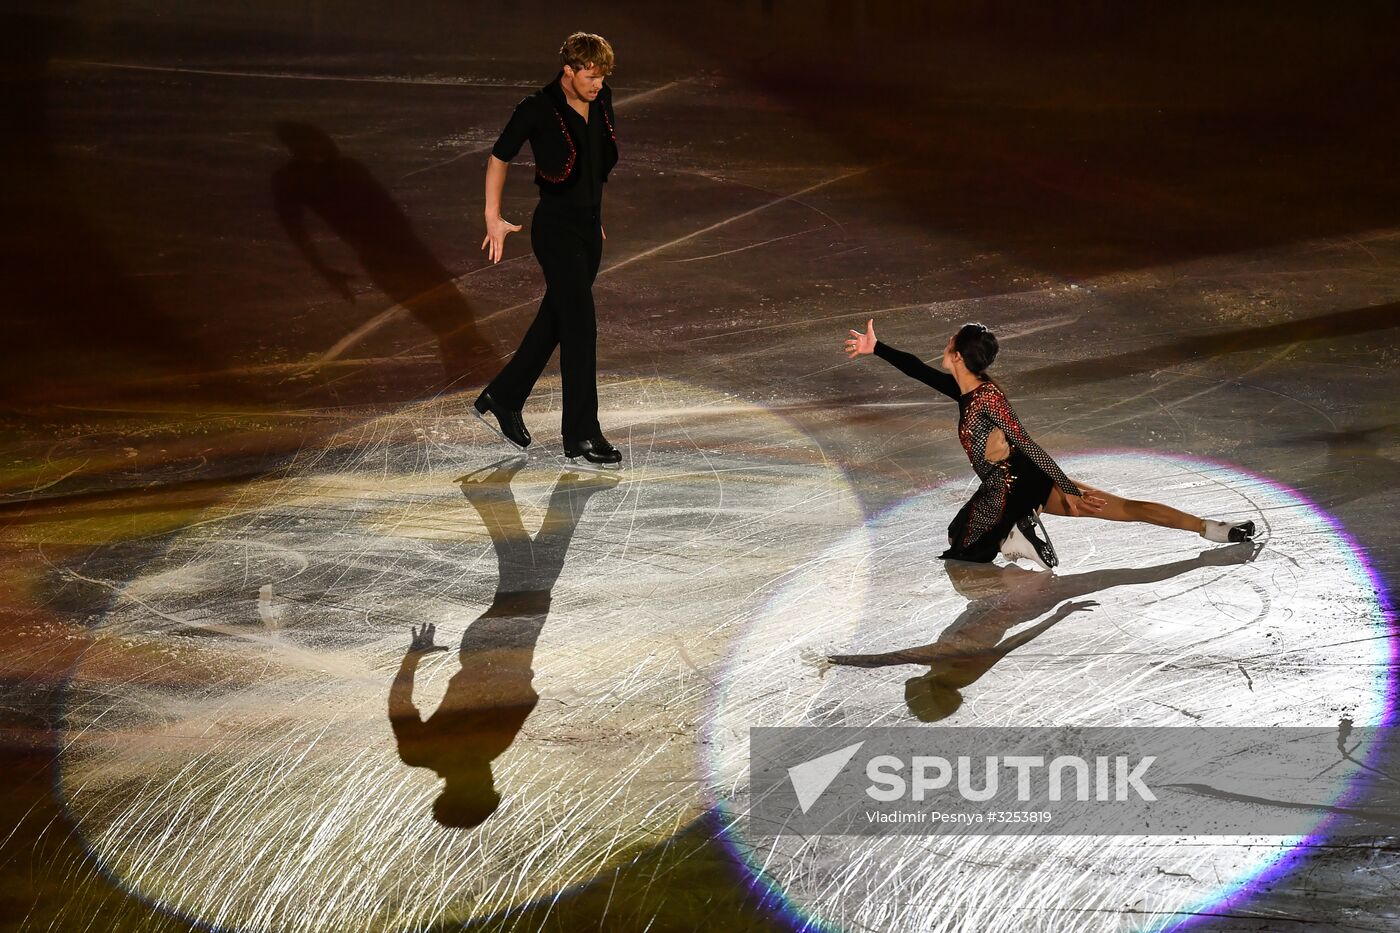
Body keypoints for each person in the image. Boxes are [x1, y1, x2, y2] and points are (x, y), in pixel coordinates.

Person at [844, 319, 1256, 569]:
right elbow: (919, 371)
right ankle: (1213, 529)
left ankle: (1016, 531)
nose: (943, 347)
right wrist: (876, 347)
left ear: (954, 354)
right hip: (1026, 484)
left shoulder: (987, 399)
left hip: (1015, 486)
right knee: (1126, 509)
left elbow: (1027, 443)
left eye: (948, 342)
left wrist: (1068, 486)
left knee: (963, 542)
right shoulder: (969, 390)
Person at [472, 32, 622, 466]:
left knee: (556, 322)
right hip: (555, 232)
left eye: (602, 78)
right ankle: (581, 434)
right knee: (581, 326)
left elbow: (595, 165)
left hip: (589, 233)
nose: (597, 85)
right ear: (569, 71)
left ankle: (503, 396)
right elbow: (499, 157)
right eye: (590, 77)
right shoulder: (537, 108)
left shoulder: (602, 98)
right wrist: (492, 216)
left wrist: (596, 218)